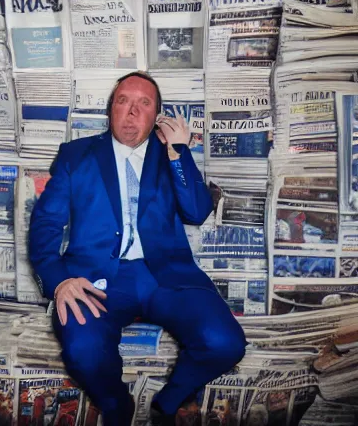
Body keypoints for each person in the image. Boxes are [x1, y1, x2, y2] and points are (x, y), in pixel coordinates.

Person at [28, 72, 246, 426]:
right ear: (110, 109)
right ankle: (117, 404)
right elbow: (45, 226)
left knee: (225, 343)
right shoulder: (76, 155)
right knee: (83, 351)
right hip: (97, 279)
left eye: (143, 103)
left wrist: (179, 151)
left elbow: (196, 212)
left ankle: (167, 403)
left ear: (157, 116)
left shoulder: (170, 157)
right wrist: (58, 281)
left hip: (165, 277)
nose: (131, 110)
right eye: (123, 101)